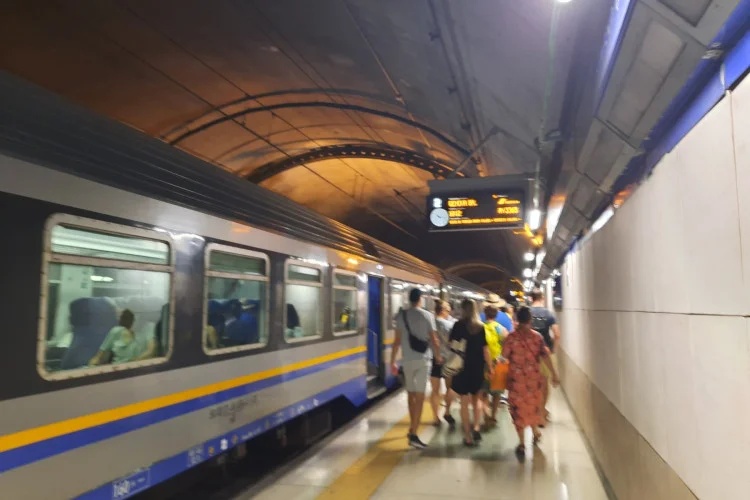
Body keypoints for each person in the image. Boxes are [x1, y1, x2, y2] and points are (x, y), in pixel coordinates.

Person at [503, 306, 560, 460]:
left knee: (517, 410)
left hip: (516, 381)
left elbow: (504, 356)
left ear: (517, 319)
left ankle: (522, 443)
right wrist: (554, 374)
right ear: (530, 319)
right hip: (533, 380)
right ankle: (535, 432)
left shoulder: (511, 338)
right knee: (533, 406)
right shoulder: (537, 337)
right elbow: (545, 356)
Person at [390, 288, 443, 449]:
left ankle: (412, 427)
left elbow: (396, 341)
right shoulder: (427, 315)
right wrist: (438, 356)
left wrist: (392, 361)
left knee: (411, 395)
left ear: (409, 299)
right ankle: (414, 434)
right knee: (420, 397)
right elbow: (434, 340)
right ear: (420, 299)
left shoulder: (402, 316)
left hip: (407, 361)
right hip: (423, 361)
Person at [449, 299, 494, 447]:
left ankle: (468, 436)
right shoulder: (480, 327)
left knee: (464, 402)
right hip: (477, 367)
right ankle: (476, 427)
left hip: (461, 367)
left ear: (462, 309)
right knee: (477, 399)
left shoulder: (457, 325)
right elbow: (485, 350)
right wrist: (490, 367)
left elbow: (452, 346)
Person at [530, 289, 561, 423]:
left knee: (533, 385)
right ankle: (542, 411)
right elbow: (557, 334)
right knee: (544, 383)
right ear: (542, 298)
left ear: (531, 298)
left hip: (530, 353)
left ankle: (537, 411)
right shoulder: (549, 314)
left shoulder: (527, 313)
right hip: (545, 352)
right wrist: (553, 350)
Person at [482, 305, 508, 426]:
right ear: (496, 315)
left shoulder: (481, 327)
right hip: (498, 363)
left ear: (485, 314)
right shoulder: (499, 328)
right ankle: (493, 416)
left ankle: (486, 415)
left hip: (483, 363)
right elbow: (507, 343)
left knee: (483, 391)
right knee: (497, 392)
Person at [431, 300, 456, 426]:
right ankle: (447, 412)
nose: (449, 312)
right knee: (449, 388)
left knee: (435, 391)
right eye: (447, 310)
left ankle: (436, 418)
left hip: (434, 359)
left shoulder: (430, 323)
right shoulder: (448, 325)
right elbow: (452, 342)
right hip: (448, 360)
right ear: (442, 311)